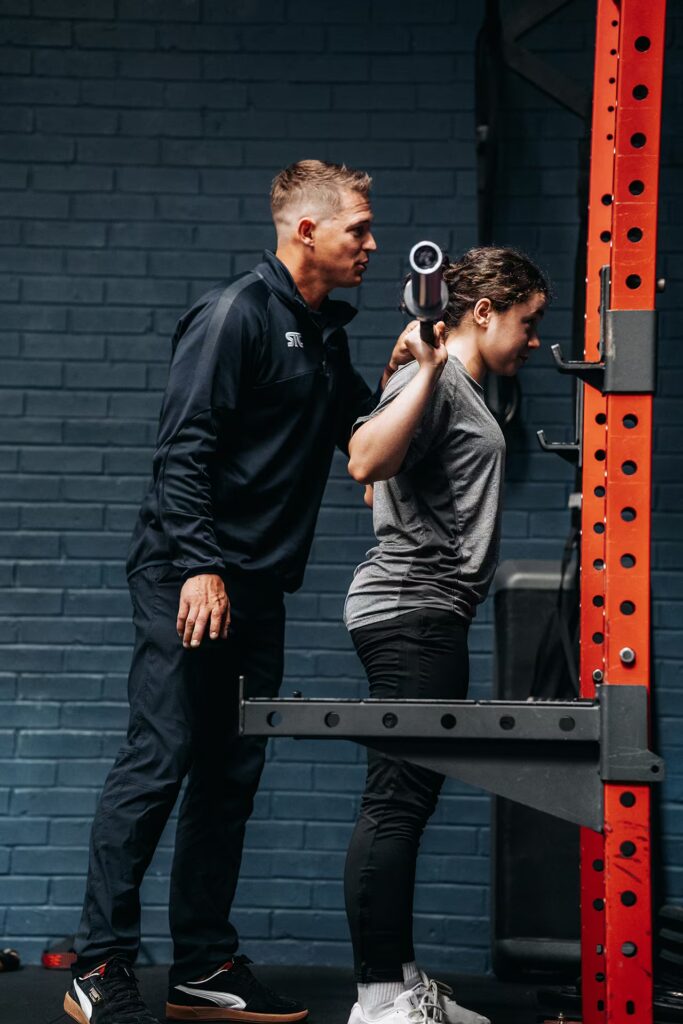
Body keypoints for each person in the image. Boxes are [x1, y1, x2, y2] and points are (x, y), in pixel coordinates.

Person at [64, 160, 414, 1024]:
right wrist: (198, 565)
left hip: (256, 588)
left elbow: (363, 447)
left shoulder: (322, 333)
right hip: (190, 575)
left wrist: (412, 368)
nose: (372, 244)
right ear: (306, 232)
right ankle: (98, 967)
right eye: (357, 230)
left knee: (229, 775)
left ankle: (202, 964)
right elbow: (180, 452)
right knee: (159, 761)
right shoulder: (235, 317)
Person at [342, 247, 550, 1024]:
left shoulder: (450, 384)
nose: (533, 339)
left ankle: (399, 981)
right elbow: (364, 461)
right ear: (484, 310)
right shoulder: (433, 378)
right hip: (410, 610)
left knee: (409, 799)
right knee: (395, 801)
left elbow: (386, 481)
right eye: (527, 322)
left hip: (431, 608)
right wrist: (420, 369)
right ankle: (379, 998)